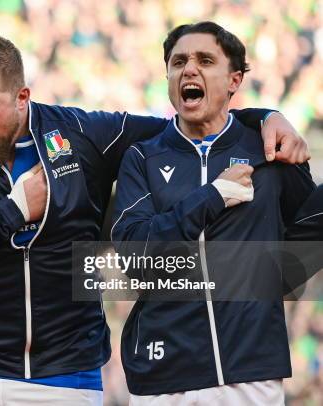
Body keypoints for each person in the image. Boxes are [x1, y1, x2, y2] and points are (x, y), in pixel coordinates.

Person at [0, 34, 309, 405]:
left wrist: (266, 117)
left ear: (23, 98)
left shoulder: (80, 133)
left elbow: (188, 128)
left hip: (70, 376)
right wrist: (13, 210)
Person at [111, 21, 316, 405]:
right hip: (163, 376)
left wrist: (268, 284)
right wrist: (213, 197)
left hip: (251, 376)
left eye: (205, 60)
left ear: (234, 80)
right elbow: (133, 255)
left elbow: (309, 231)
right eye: (178, 62)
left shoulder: (271, 151)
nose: (189, 69)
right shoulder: (142, 158)